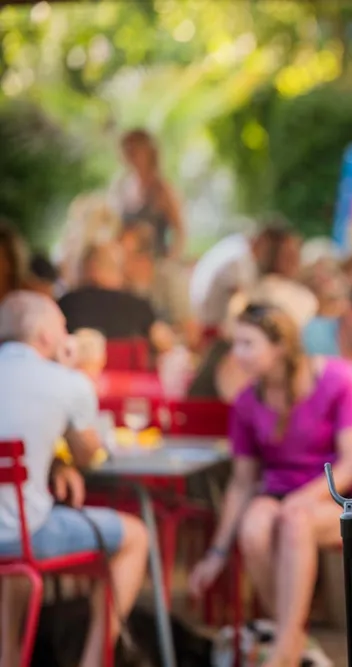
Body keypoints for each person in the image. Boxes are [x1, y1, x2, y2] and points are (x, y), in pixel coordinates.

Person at [187, 303, 352, 667]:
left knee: (294, 520)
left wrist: (302, 499)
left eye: (247, 344)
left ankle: (284, 651)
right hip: (277, 494)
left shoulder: (338, 378)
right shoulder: (246, 401)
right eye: (234, 343)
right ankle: (293, 638)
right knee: (253, 527)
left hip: (337, 498)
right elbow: (242, 482)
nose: (236, 354)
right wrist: (216, 553)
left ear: (280, 346)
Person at [0, 291, 149, 667]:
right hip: (21, 535)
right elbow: (88, 453)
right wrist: (72, 374)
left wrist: (53, 466)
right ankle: (93, 661)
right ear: (45, 336)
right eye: (62, 327)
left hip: (12, 526)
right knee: (136, 536)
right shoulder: (65, 383)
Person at [57, 241, 174, 353]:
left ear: (86, 267)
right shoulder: (141, 308)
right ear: (120, 270)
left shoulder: (66, 304)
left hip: (77, 372)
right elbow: (165, 343)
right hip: (129, 373)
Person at [109, 129, 185, 260]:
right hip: (126, 264)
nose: (129, 154)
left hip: (154, 263)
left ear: (148, 152)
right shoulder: (120, 186)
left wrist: (170, 260)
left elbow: (180, 232)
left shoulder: (162, 190)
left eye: (134, 149)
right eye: (126, 149)